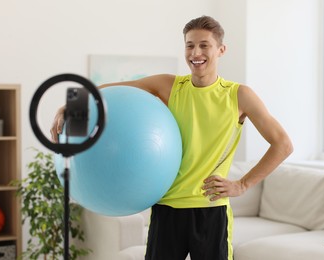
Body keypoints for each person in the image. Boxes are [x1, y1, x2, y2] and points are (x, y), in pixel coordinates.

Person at [50, 15, 293, 260]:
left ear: (221, 50)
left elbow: (282, 144)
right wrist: (74, 104)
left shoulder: (238, 95)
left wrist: (242, 185)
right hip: (167, 208)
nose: (195, 52)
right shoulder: (170, 86)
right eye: (189, 45)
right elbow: (117, 90)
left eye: (204, 45)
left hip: (209, 209)